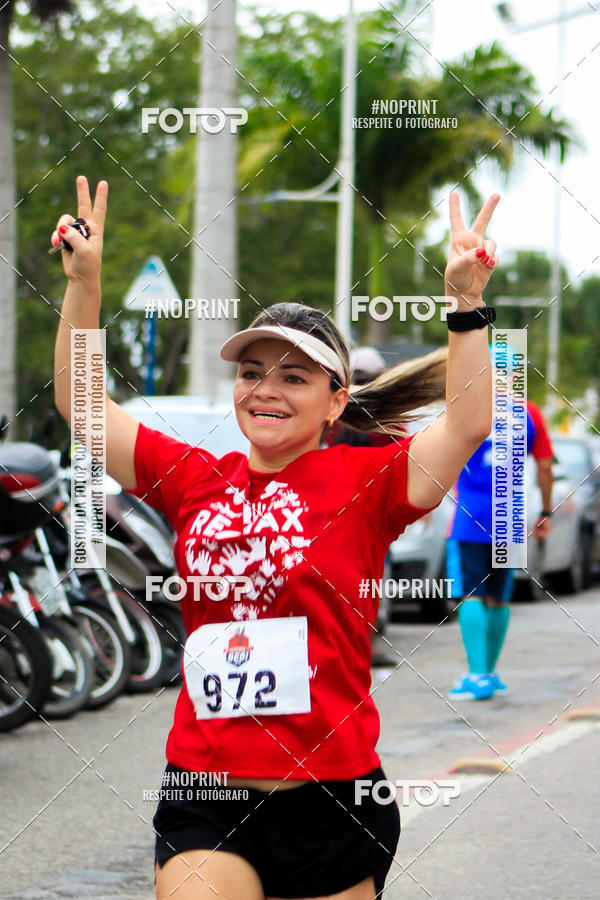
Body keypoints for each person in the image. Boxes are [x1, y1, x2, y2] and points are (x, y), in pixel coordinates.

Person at [52, 175, 500, 900]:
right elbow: (82, 406)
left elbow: (470, 423)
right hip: (209, 792)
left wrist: (467, 304)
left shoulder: (368, 482)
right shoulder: (193, 476)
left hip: (334, 799)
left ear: (335, 400)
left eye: (295, 376)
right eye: (253, 372)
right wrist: (84, 285)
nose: (265, 389)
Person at [446, 362, 555, 701]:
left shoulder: (466, 407)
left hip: (471, 516)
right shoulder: (531, 413)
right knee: (499, 596)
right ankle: (490, 673)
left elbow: (443, 454)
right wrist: (546, 510)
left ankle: (477, 675)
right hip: (510, 516)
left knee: (471, 594)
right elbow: (546, 465)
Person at [325, 346, 404, 668]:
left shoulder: (332, 413)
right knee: (368, 580)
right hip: (361, 513)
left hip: (343, 512)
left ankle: (357, 646)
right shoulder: (386, 416)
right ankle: (362, 646)